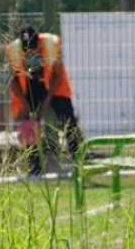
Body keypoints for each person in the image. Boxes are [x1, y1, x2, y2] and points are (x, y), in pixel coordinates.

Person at [5, 25, 83, 177]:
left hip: (54, 86)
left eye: (33, 48)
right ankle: (35, 168)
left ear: (39, 42)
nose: (30, 52)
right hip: (29, 90)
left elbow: (57, 74)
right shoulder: (14, 51)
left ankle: (79, 161)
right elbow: (12, 82)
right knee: (29, 126)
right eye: (27, 49)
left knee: (68, 121)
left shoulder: (50, 44)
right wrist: (25, 104)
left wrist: (47, 101)